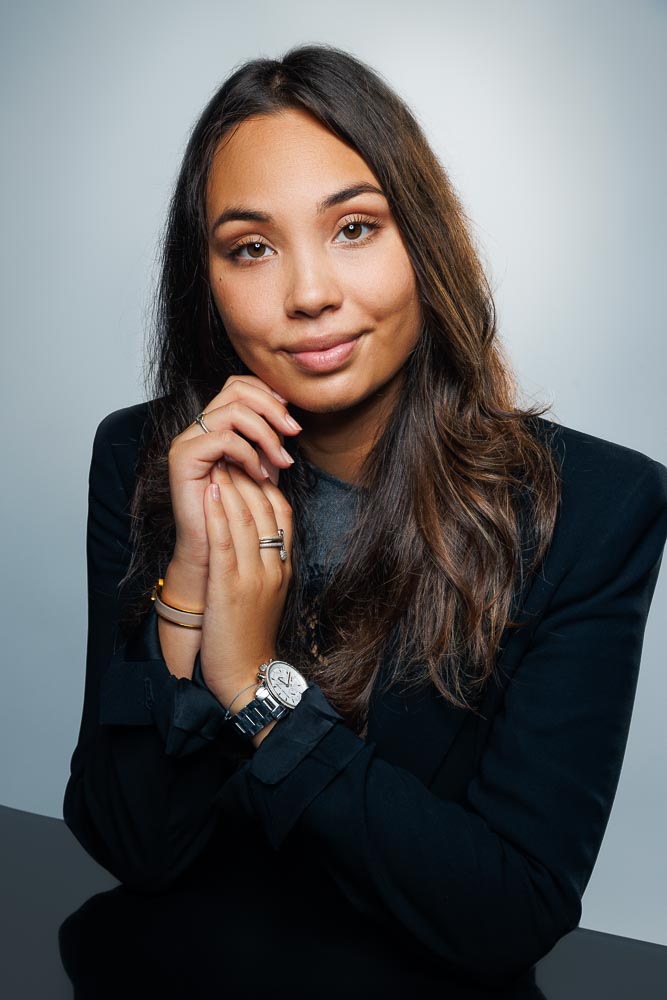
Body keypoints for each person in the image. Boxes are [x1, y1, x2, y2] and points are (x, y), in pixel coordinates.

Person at [62, 43, 667, 993]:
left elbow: (510, 910)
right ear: (207, 283)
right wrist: (187, 579)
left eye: (353, 227)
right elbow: (133, 844)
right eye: (251, 247)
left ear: (422, 242)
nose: (309, 294)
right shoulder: (144, 458)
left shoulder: (593, 508)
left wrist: (259, 690)